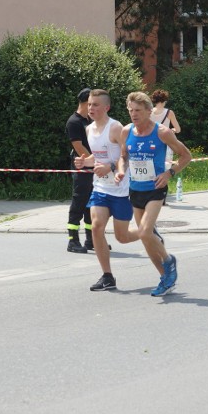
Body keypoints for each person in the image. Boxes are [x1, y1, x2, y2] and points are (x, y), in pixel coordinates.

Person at [120, 91, 192, 296]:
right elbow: (123, 157)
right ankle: (165, 278)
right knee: (146, 238)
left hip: (155, 189)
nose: (134, 114)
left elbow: (186, 156)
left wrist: (169, 173)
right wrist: (122, 169)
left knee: (144, 232)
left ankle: (169, 260)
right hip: (135, 189)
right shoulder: (126, 131)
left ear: (149, 111)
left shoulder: (162, 132)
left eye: (138, 111)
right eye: (131, 110)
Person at [74, 90, 141, 291]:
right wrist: (84, 161)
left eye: (95, 105)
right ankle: (107, 276)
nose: (90, 108)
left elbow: (127, 157)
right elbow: (97, 158)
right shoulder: (89, 130)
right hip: (101, 187)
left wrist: (111, 168)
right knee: (96, 226)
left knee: (122, 237)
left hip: (120, 190)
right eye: (89, 104)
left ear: (106, 108)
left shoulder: (116, 128)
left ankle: (147, 232)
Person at [65, 88, 93, 253]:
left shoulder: (89, 120)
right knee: (79, 202)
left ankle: (91, 239)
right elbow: (78, 146)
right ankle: (73, 240)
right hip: (82, 168)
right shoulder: (74, 122)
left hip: (92, 168)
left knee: (91, 204)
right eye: (92, 103)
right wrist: (94, 161)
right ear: (85, 102)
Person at [150, 89, 182, 204]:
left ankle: (150, 194)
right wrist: (171, 130)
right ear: (164, 100)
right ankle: (162, 197)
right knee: (165, 169)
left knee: (152, 168)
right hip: (165, 143)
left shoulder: (149, 111)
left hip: (151, 143)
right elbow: (178, 129)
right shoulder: (169, 112)